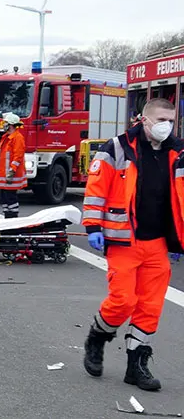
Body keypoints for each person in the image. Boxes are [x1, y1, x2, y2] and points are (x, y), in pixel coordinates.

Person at [82, 98, 184, 392]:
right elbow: (96, 189)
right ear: (145, 120)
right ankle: (97, 337)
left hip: (159, 243)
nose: (167, 125)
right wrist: (92, 226)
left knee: (150, 306)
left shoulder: (178, 152)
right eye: (162, 119)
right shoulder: (117, 147)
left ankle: (136, 364)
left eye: (172, 120)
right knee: (123, 300)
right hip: (124, 240)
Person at [0, 113, 26, 218]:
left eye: (5, 123)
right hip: (4, 175)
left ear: (10, 124)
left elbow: (18, 156)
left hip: (11, 175)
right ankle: (8, 216)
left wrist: (12, 170)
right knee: (4, 198)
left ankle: (13, 218)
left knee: (10, 198)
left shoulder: (17, 138)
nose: (3, 125)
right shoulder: (7, 137)